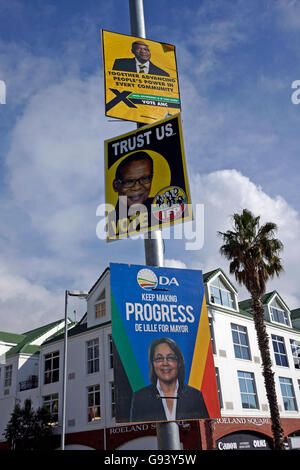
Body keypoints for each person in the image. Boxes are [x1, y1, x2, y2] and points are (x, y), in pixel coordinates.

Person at [129, 337, 209, 422]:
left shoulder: (195, 396)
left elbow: (204, 427)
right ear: (153, 364)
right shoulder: (140, 398)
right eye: (159, 358)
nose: (165, 363)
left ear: (179, 362)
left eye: (170, 358)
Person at [108, 151, 156, 238]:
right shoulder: (115, 221)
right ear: (116, 186)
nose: (137, 187)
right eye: (129, 181)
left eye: (144, 179)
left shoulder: (158, 206)